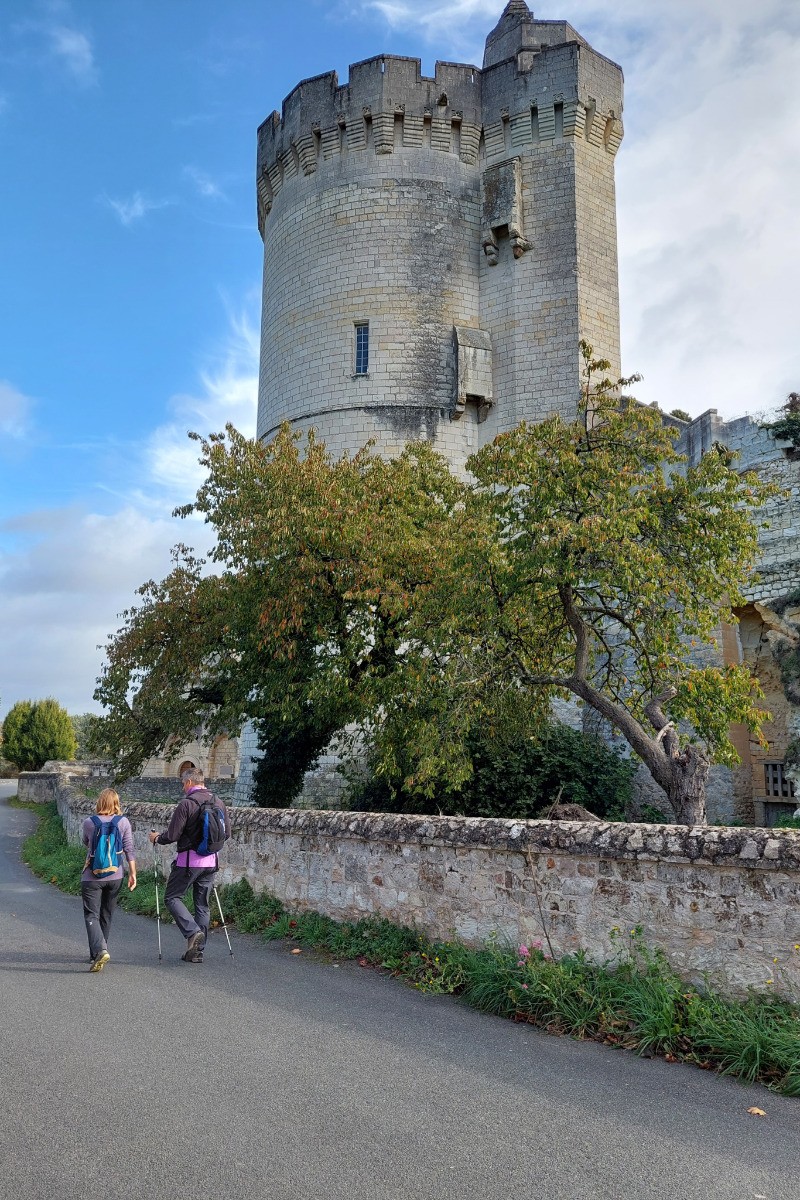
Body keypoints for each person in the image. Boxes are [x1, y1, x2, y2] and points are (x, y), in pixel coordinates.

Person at [148, 767, 230, 964]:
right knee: (202, 905)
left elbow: (172, 835)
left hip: (188, 863)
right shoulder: (219, 802)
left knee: (172, 897)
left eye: (184, 784)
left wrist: (157, 838)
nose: (183, 788)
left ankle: (193, 932)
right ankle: (197, 952)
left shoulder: (186, 804)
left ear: (190, 782)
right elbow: (226, 834)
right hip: (211, 863)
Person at [81, 788, 137, 973]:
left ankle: (100, 950)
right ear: (116, 803)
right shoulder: (123, 822)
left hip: (92, 876)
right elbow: (129, 849)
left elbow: (86, 842)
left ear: (99, 802)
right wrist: (133, 874)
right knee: (106, 914)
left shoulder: (89, 822)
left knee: (92, 915)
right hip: (116, 876)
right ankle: (97, 951)